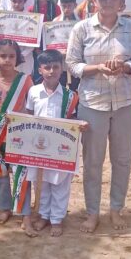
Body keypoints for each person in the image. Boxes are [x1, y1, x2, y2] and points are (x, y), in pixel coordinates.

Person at [67, 0, 131, 233]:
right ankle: (92, 213)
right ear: (94, 0)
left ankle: (115, 209)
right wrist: (95, 68)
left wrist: (125, 67)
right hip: (92, 102)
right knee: (92, 161)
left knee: (122, 160)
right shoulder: (81, 29)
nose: (108, 1)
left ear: (122, 1)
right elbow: (72, 64)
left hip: (126, 102)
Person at [27, 50, 85, 237]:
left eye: (56, 67)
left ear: (62, 69)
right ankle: (44, 215)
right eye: (47, 67)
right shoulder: (34, 92)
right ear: (40, 70)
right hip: (40, 147)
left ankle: (57, 219)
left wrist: (79, 126)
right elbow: (28, 116)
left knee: (60, 183)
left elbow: (73, 119)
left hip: (61, 149)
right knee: (42, 182)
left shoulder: (69, 95)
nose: (51, 71)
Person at [0, 40, 35, 234]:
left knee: (22, 175)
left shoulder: (26, 81)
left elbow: (32, 109)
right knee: (0, 175)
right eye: (3, 56)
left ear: (18, 58)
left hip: (20, 138)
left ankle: (25, 213)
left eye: (11, 56)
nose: (7, 60)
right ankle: (5, 207)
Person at [54, 0, 80, 91]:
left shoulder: (81, 23)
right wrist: (59, 52)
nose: (66, 9)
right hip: (61, 63)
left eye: (69, 6)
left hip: (76, 63)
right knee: (60, 90)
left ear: (75, 5)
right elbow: (51, 42)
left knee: (75, 92)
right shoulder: (55, 23)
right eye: (64, 6)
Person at [9, 0, 35, 76]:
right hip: (9, 57)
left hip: (25, 58)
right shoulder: (4, 17)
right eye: (14, 1)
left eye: (20, 1)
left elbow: (33, 42)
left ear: (25, 1)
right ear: (10, 0)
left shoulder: (32, 19)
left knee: (24, 84)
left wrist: (22, 54)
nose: (17, 4)